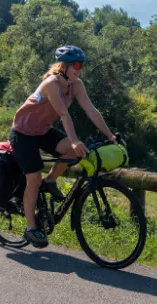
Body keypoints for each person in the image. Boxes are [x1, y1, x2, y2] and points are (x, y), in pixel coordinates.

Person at [10, 45, 117, 248]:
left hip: (42, 131)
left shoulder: (76, 85)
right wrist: (74, 139)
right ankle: (31, 228)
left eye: (82, 65)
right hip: (23, 133)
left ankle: (50, 181)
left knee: (73, 150)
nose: (80, 69)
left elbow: (92, 111)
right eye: (76, 65)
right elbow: (64, 115)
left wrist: (110, 135)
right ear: (65, 66)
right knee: (33, 179)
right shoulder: (51, 84)